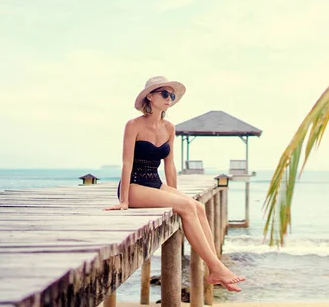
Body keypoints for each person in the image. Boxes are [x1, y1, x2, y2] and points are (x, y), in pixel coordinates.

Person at [104, 76, 245, 292]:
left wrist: (176, 194)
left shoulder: (169, 127)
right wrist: (124, 200)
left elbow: (169, 165)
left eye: (171, 95)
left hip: (155, 182)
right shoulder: (133, 125)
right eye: (164, 93)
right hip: (134, 185)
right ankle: (216, 268)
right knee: (187, 207)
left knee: (196, 206)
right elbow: (126, 162)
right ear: (150, 96)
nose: (169, 98)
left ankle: (215, 268)